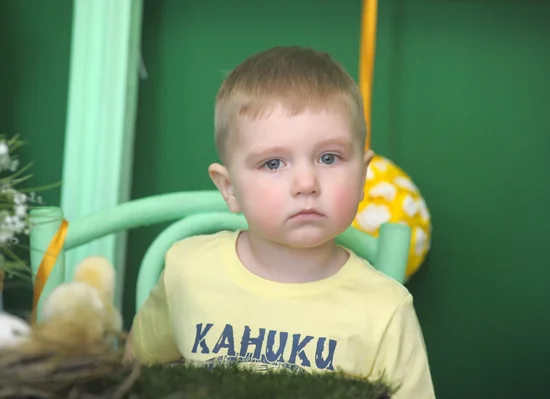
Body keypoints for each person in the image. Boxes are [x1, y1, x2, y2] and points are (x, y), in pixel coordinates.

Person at [126, 46, 435, 398]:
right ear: (230, 189)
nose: (306, 183)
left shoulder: (385, 310)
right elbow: (134, 370)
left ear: (362, 177)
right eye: (273, 164)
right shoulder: (187, 270)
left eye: (329, 157)